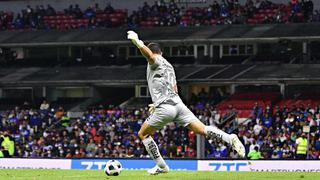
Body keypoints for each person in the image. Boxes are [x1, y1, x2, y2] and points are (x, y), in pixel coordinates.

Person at [127, 30, 245, 175]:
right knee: (202, 129)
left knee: (143, 134)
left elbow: (150, 56)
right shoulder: (169, 66)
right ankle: (229, 137)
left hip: (166, 107)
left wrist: (137, 42)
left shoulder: (155, 60)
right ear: (162, 52)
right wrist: (156, 102)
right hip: (178, 105)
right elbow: (173, 88)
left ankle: (161, 166)